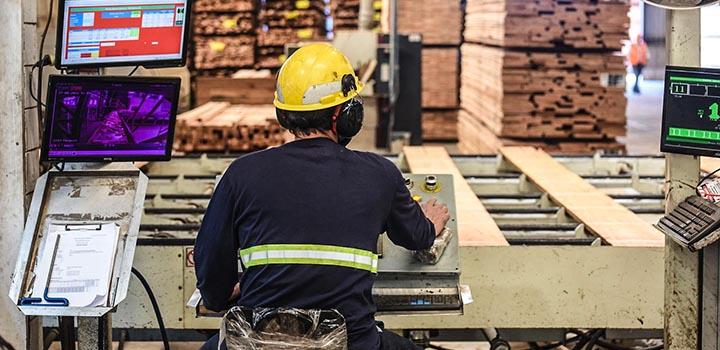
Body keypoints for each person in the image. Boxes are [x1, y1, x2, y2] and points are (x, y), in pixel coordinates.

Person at [194, 43, 451, 350]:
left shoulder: (241, 174)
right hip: (352, 343)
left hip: (257, 343)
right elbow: (416, 237)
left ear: (283, 114)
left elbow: (209, 260)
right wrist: (431, 223)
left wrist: (223, 295)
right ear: (345, 116)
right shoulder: (380, 174)